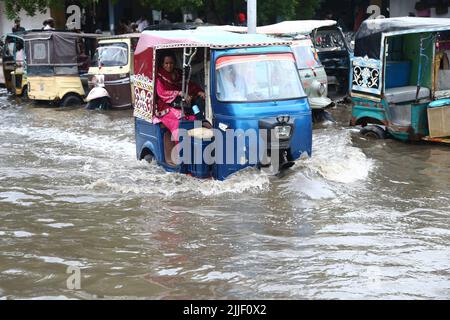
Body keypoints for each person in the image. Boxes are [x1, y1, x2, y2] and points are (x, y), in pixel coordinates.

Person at [155, 51, 206, 142]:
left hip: (182, 103)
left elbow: (189, 85)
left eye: (171, 63)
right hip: (165, 105)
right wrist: (179, 93)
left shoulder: (178, 73)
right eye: (166, 63)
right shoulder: (159, 77)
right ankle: (180, 150)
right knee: (178, 122)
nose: (169, 66)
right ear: (162, 64)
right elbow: (162, 93)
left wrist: (199, 91)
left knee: (195, 117)